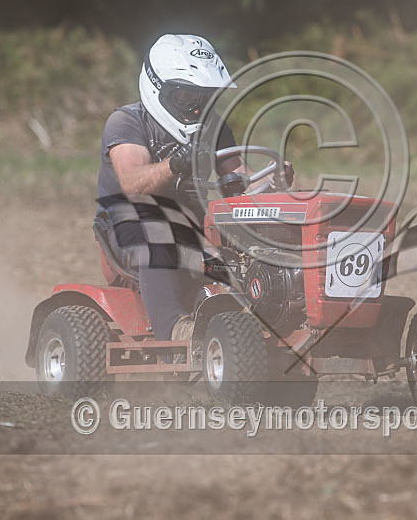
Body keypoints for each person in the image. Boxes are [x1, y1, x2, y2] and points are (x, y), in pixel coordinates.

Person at [96, 34, 291, 342]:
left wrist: (274, 183)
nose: (196, 106)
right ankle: (175, 327)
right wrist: (176, 163)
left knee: (264, 236)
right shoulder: (127, 122)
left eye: (204, 97)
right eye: (186, 96)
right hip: (130, 229)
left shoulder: (214, 128)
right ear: (158, 87)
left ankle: (274, 316)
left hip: (193, 228)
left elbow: (241, 184)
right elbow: (133, 184)